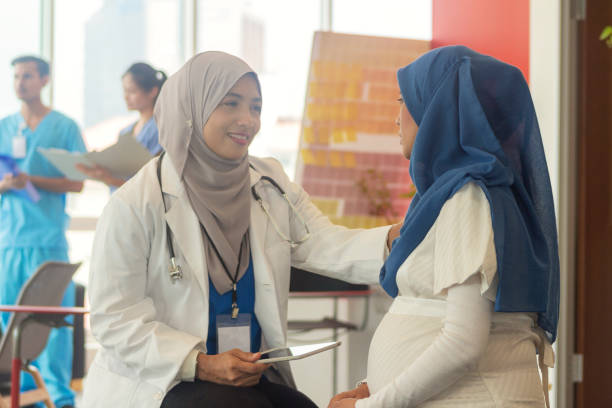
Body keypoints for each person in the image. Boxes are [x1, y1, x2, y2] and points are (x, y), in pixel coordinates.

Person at [83, 51, 402, 408]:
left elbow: (320, 242)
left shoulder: (268, 183)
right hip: (165, 379)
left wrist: (392, 240)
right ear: (191, 108)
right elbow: (114, 320)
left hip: (247, 376)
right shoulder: (136, 204)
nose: (247, 120)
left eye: (255, 107)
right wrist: (199, 363)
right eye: (231, 104)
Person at [328, 45, 559, 408]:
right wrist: (376, 385)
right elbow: (434, 317)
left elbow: (463, 343)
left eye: (404, 100)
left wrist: (368, 407)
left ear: (440, 112)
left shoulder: (469, 197)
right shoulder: (463, 193)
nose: (397, 117)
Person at [0, 55, 87, 408]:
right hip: (9, 242)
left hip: (48, 241)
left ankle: (60, 399)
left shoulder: (64, 127)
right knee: (9, 327)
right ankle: (23, 398)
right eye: (16, 76)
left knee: (52, 326)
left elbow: (78, 183)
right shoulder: (4, 126)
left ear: (45, 79)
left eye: (28, 76)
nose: (21, 82)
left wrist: (31, 180)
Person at [76, 62, 166, 187]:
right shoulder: (126, 132)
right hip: (124, 201)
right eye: (124, 91)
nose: (126, 97)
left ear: (152, 91)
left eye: (132, 91)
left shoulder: (161, 128)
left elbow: (153, 181)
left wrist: (109, 179)